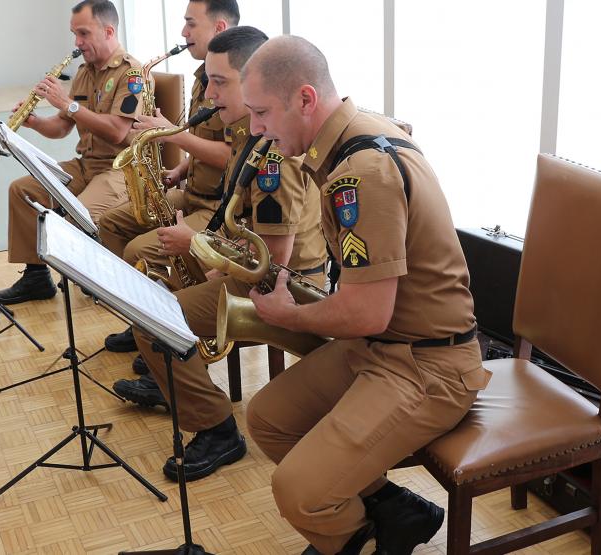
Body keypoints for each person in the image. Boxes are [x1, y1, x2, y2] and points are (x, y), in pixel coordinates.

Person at [240, 36, 493, 555]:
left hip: (429, 366)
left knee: (298, 493)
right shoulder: (352, 136)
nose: (254, 130)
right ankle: (392, 516)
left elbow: (366, 311)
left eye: (262, 113)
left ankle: (354, 541)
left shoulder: (362, 172)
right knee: (268, 419)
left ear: (306, 100)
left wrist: (288, 315)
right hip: (384, 348)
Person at [112, 26, 328, 483]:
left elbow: (273, 260)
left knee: (155, 323)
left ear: (254, 83)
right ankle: (177, 376)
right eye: (207, 80)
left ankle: (216, 428)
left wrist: (199, 249)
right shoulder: (244, 133)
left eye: (219, 82)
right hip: (251, 265)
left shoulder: (272, 153)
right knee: (155, 297)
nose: (207, 92)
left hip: (285, 286)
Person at [96, 0, 239, 354]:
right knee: (112, 223)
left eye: (191, 24)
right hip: (193, 192)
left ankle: (166, 338)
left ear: (219, 28)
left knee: (137, 250)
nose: (183, 33)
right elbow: (206, 139)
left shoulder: (237, 86)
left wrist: (171, 133)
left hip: (220, 207)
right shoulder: (202, 78)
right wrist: (181, 168)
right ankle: (142, 321)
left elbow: (234, 157)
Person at [0, 0, 143, 304]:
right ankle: (37, 278)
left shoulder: (133, 74)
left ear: (109, 31)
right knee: (22, 190)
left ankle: (104, 282)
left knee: (79, 216)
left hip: (121, 169)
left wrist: (67, 104)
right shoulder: (85, 73)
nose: (77, 43)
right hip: (87, 165)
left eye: (83, 34)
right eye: (74, 34)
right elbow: (62, 127)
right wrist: (33, 121)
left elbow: (117, 131)